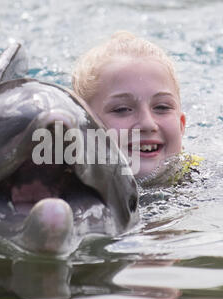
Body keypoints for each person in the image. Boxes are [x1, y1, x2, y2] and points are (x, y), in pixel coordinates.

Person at [72, 31, 201, 185]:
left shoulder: (213, 180)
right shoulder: (63, 192)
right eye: (122, 109)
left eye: (161, 107)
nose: (148, 124)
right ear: (85, 131)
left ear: (181, 126)